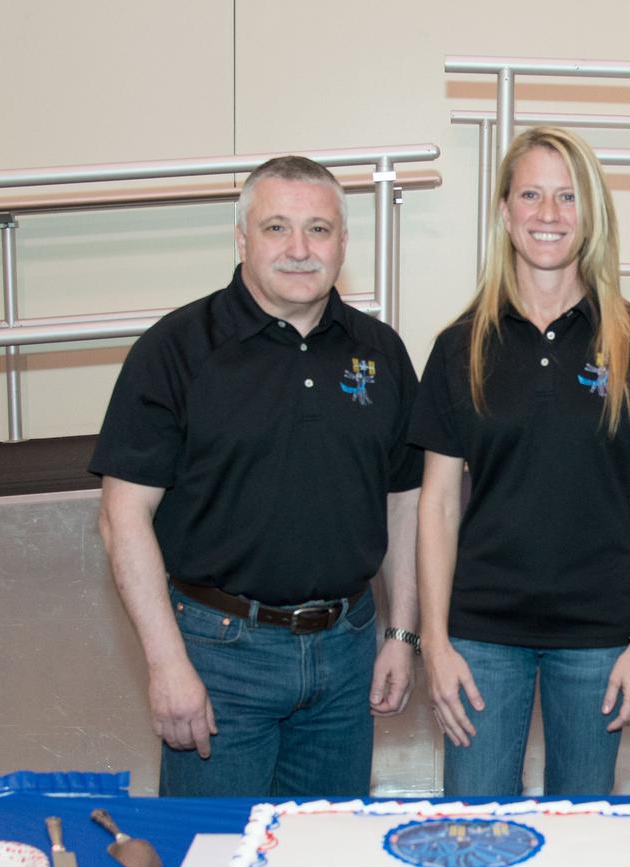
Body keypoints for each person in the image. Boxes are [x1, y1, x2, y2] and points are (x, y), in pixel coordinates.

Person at [90, 156, 422, 797]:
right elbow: (120, 518)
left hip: (347, 653)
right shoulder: (176, 350)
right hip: (220, 658)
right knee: (212, 864)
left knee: (322, 866)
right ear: (241, 240)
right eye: (276, 228)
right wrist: (166, 666)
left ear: (343, 244)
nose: (300, 250)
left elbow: (404, 499)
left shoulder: (380, 352)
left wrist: (401, 632)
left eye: (319, 230)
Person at [412, 127, 630, 797]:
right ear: (505, 214)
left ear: (590, 215)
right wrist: (435, 640)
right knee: (475, 837)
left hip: (599, 640)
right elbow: (438, 505)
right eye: (531, 194)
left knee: (585, 841)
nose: (548, 214)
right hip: (480, 638)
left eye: (568, 197)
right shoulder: (459, 349)